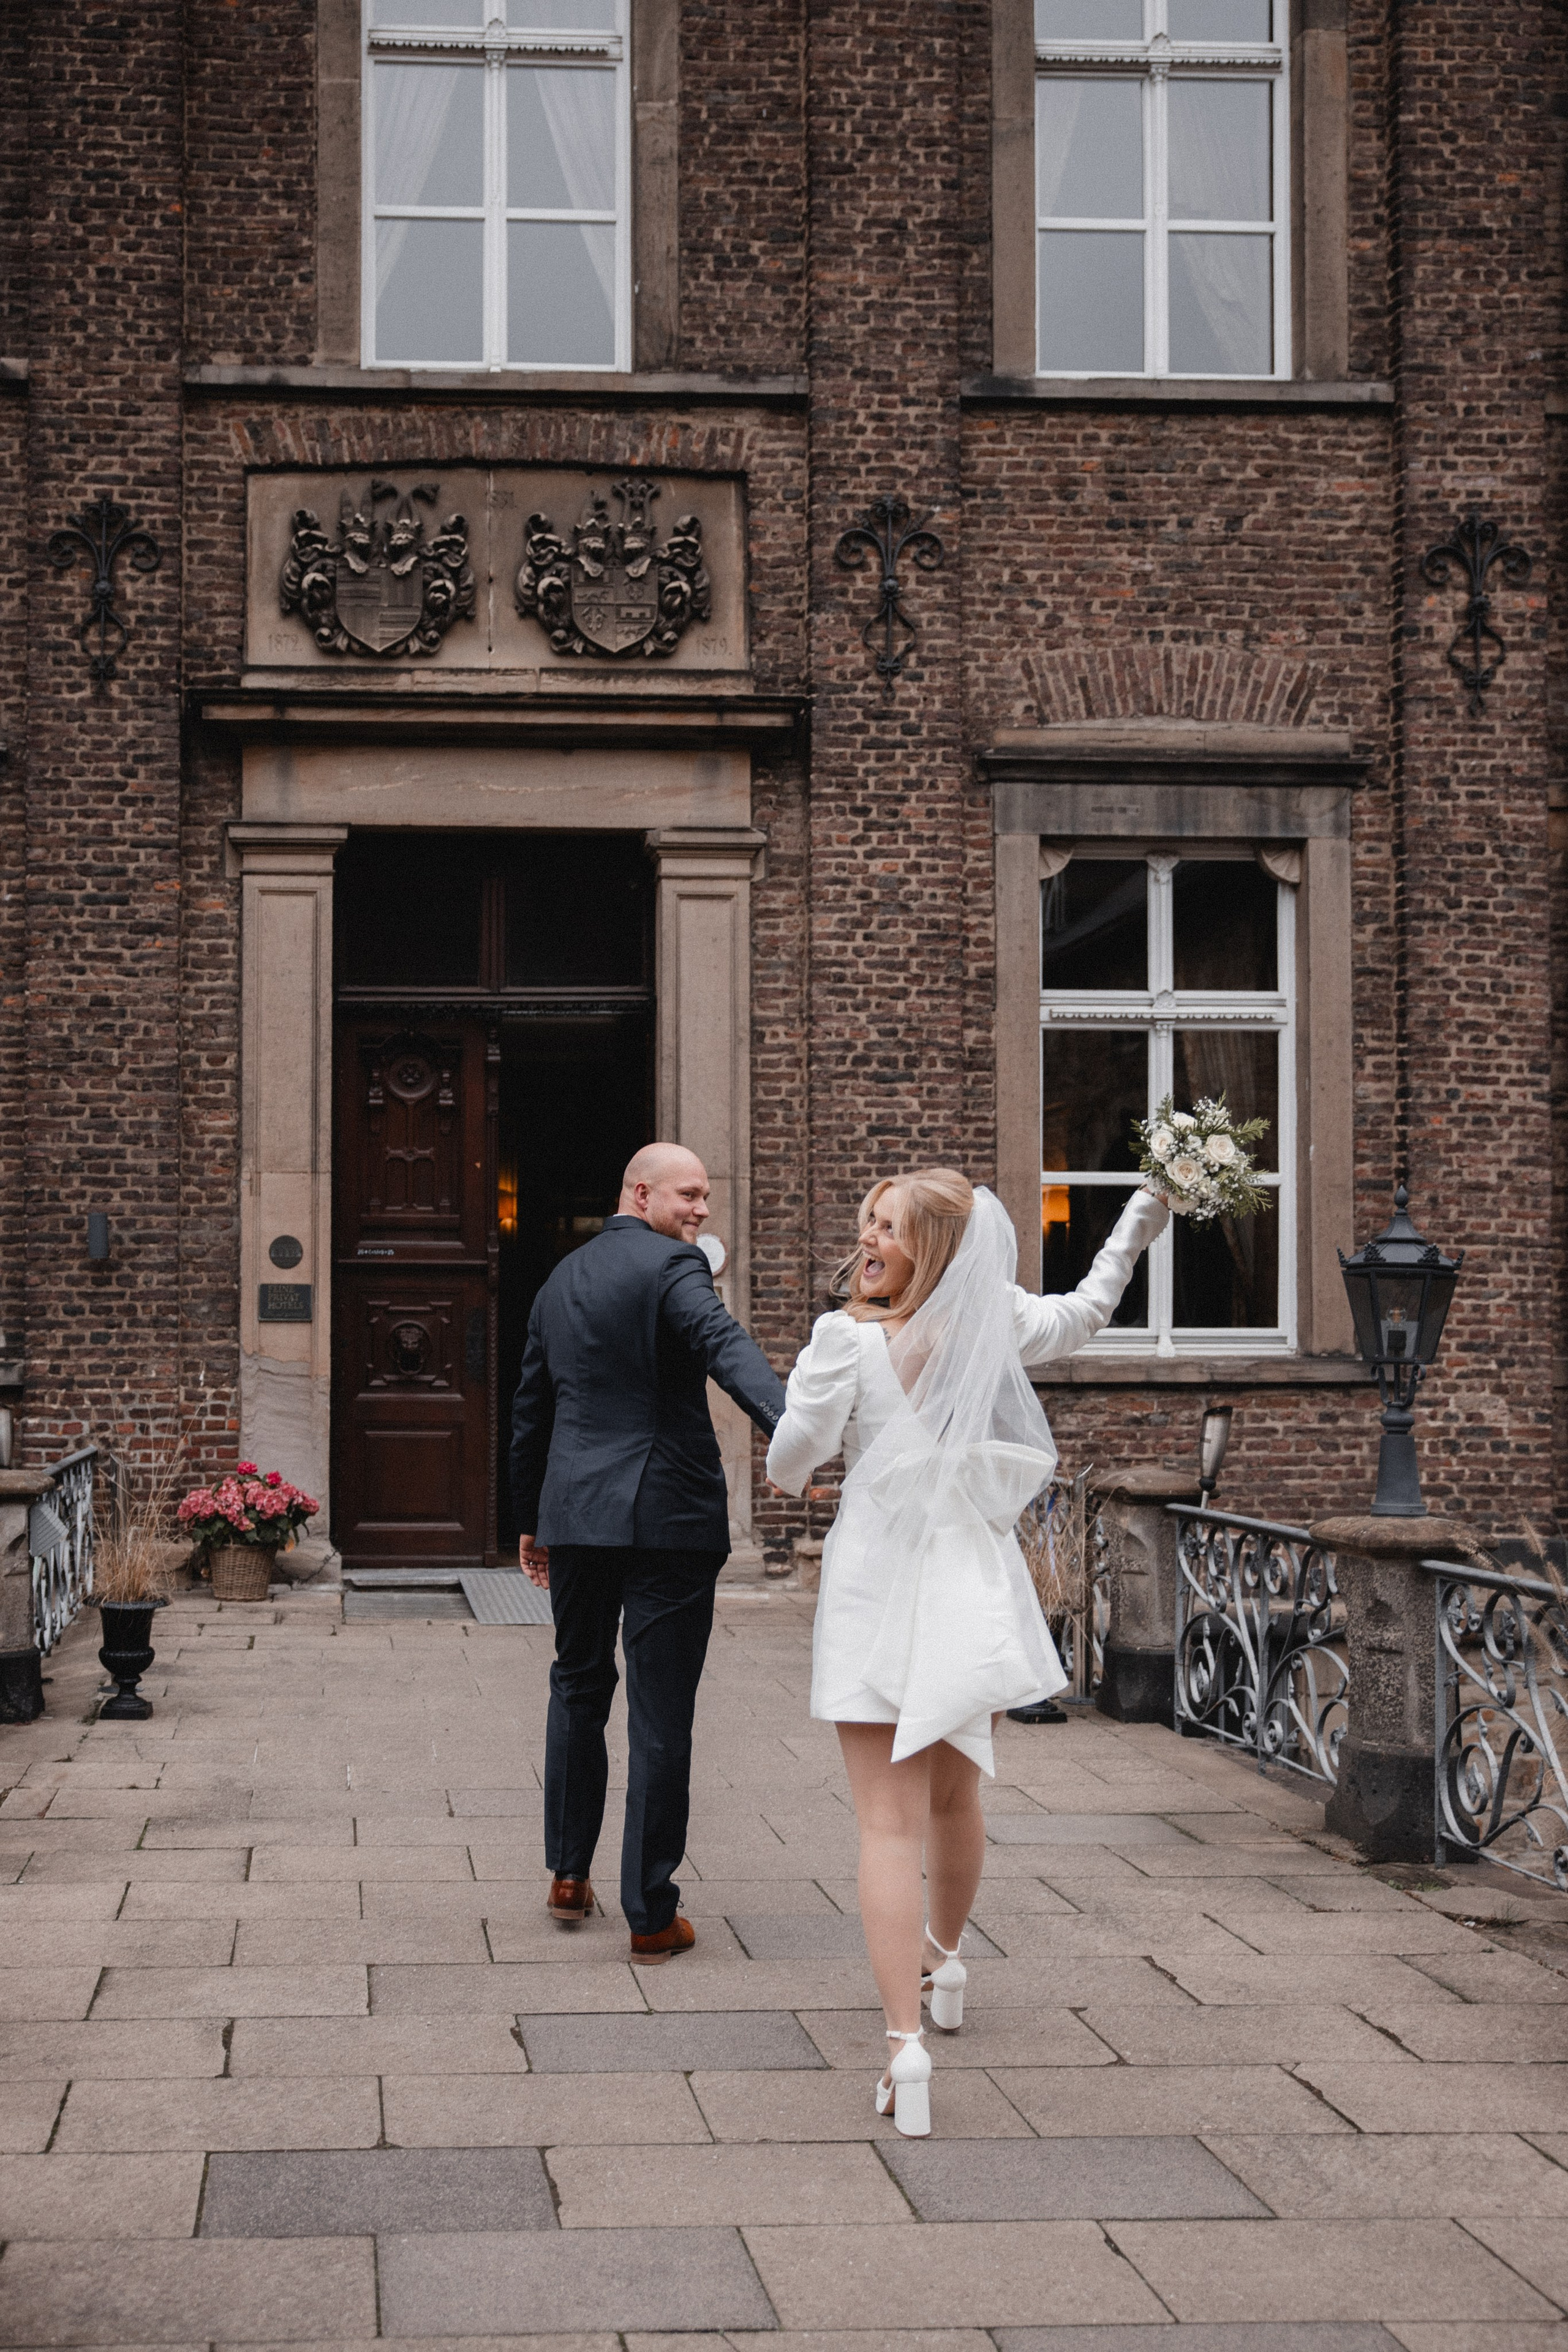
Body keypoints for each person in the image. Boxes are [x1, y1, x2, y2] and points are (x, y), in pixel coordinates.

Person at [765, 1169, 1170, 2133]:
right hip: (971, 1585)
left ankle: (905, 2048)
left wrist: (815, 1425)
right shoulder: (994, 1319)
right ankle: (945, 1960)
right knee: (956, 1798)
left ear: (931, 1245)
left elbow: (789, 1465)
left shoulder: (843, 1340)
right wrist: (1144, 1216)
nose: (867, 1239)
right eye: (868, 1221)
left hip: (877, 1585)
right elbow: (1086, 1313)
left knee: (886, 1826)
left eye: (888, 1227)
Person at [511, 1142, 786, 1962]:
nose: (701, 1210)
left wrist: (531, 1518)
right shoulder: (674, 1267)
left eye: (705, 1197)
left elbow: (532, 1409)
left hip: (577, 1515)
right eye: (689, 1195)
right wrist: (795, 1428)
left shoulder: (560, 1281)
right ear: (641, 1193)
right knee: (660, 1711)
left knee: (577, 1685)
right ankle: (651, 1915)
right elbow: (723, 1344)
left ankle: (568, 1875)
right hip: (668, 1517)